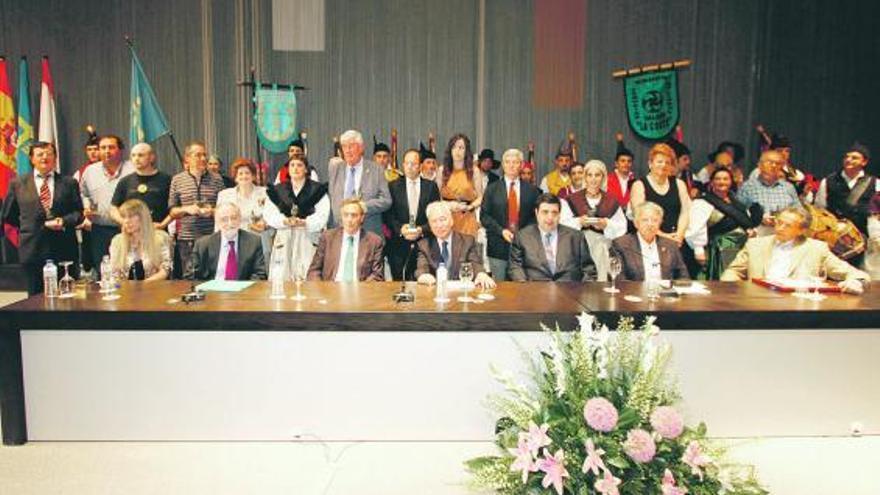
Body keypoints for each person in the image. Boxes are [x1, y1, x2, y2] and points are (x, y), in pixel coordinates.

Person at [721, 206, 869, 293]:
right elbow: (733, 271)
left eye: (787, 225)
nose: (779, 228)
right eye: (779, 222)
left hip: (798, 307)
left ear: (801, 230)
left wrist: (855, 282)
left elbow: (858, 275)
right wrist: (730, 289)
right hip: (757, 302)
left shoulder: (816, 249)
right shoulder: (755, 245)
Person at [1, 142, 83, 294]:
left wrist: (63, 221)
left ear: (55, 158)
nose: (45, 157)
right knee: (35, 298)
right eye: (40, 154)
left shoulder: (69, 183)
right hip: (33, 249)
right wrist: (30, 226)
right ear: (32, 159)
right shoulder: (17, 184)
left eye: (49, 154)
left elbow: (79, 213)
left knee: (67, 296)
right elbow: (8, 215)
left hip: (64, 249)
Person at [685, 168, 762, 279]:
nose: (722, 182)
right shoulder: (702, 202)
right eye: (718, 179)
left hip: (740, 250)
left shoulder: (736, 201)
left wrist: (749, 230)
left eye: (725, 179)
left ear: (731, 182)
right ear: (711, 182)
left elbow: (745, 221)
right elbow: (696, 227)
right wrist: (698, 249)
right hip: (718, 250)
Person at [560, 159, 627, 281]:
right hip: (577, 247)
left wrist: (606, 224)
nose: (593, 179)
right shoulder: (571, 199)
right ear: (585, 177)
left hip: (602, 247)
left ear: (603, 177)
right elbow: (562, 223)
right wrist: (579, 222)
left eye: (597, 175)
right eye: (590, 175)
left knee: (600, 281)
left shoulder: (611, 200)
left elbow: (622, 226)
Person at [168, 141, 226, 279]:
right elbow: (172, 211)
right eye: (198, 155)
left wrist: (212, 211)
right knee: (190, 277)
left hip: (212, 236)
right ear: (187, 158)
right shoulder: (177, 180)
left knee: (214, 276)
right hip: (187, 239)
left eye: (204, 155)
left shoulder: (217, 179)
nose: (203, 159)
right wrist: (188, 209)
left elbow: (224, 208)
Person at [481, 148, 540, 280]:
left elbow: (535, 217)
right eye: (508, 162)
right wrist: (501, 231)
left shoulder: (532, 191)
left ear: (521, 165)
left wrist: (523, 233)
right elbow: (484, 216)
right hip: (497, 246)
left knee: (521, 290)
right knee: (499, 290)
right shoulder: (492, 189)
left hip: (524, 247)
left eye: (515, 162)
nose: (511, 165)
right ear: (503, 165)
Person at [267, 156, 330, 280]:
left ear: (306, 169)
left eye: (299, 165)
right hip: (284, 236)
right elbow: (269, 213)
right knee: (281, 276)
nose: (295, 168)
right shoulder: (278, 189)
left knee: (307, 273)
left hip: (307, 236)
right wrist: (284, 221)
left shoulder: (317, 189)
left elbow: (323, 214)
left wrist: (305, 222)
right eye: (292, 165)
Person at [508, 193, 596, 282]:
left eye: (554, 213)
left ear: (559, 215)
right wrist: (525, 288)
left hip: (569, 292)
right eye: (545, 212)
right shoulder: (522, 237)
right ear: (536, 212)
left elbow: (589, 271)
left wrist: (583, 292)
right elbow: (515, 267)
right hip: (535, 292)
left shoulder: (576, 237)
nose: (550, 217)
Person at [385, 148, 442, 280]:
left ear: (420, 166)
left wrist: (422, 229)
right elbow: (388, 215)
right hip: (398, 245)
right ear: (403, 165)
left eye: (414, 164)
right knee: (400, 284)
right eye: (407, 163)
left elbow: (435, 215)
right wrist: (400, 229)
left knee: (422, 283)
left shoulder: (431, 187)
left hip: (424, 245)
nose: (410, 167)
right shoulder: (393, 186)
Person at [79, 135, 135, 265]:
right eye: (103, 148)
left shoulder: (133, 170)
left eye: (111, 147)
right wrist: (87, 207)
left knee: (129, 268)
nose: (106, 151)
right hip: (100, 230)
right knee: (103, 270)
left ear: (121, 150)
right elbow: (83, 194)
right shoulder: (90, 171)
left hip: (128, 229)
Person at [415, 201, 495, 288]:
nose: (439, 225)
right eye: (434, 221)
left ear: (451, 221)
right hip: (436, 294)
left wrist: (480, 274)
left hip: (461, 294)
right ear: (430, 226)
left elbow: (474, 263)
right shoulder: (424, 245)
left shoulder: (467, 241)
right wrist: (423, 276)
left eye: (442, 219)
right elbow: (421, 268)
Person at [327, 129, 392, 236]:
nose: (347, 150)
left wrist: (364, 207)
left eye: (351, 146)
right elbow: (331, 202)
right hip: (339, 233)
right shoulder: (335, 169)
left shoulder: (376, 169)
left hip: (368, 233)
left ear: (361, 148)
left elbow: (386, 200)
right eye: (344, 146)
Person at [217, 158, 285, 258]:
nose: (244, 176)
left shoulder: (265, 193)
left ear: (253, 176)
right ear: (235, 177)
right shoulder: (224, 195)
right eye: (240, 173)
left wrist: (265, 224)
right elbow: (218, 222)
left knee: (261, 273)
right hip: (234, 243)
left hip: (260, 243)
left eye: (247, 173)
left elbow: (275, 216)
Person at [307, 198, 384, 281]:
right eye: (346, 215)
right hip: (331, 289)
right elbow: (314, 270)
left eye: (354, 215)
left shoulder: (374, 241)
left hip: (361, 289)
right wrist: (322, 288)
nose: (349, 220)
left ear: (362, 218)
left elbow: (377, 275)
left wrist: (362, 290)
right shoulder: (327, 237)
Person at [629, 143, 691, 246]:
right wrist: (663, 236)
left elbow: (685, 212)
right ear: (650, 164)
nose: (663, 165)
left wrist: (679, 235)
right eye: (659, 161)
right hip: (649, 241)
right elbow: (639, 217)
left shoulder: (680, 184)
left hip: (677, 241)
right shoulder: (639, 185)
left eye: (667, 162)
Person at [611, 202, 690, 282]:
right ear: (636, 223)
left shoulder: (670, 245)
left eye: (655, 220)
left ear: (660, 223)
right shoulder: (621, 244)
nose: (650, 224)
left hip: (665, 293)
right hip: (635, 293)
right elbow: (619, 279)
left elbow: (683, 276)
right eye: (645, 220)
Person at [813, 142, 877, 240]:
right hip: (834, 238)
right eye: (846, 157)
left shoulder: (875, 183)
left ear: (864, 162)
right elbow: (819, 209)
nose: (848, 160)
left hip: (863, 238)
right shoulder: (828, 181)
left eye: (854, 158)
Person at [191, 202, 266, 281]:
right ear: (217, 221)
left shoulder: (254, 241)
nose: (230, 223)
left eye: (233, 218)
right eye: (224, 219)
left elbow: (260, 274)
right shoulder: (203, 244)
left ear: (240, 219)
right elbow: (192, 275)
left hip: (242, 290)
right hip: (211, 290)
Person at [737, 150, 801, 236]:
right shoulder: (747, 187)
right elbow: (738, 213)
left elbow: (799, 212)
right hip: (757, 236)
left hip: (784, 235)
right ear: (759, 165)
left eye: (778, 163)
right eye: (770, 162)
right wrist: (759, 218)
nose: (774, 166)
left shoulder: (789, 187)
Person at [110, 143, 172, 231]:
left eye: (141, 155)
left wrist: (163, 224)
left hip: (157, 232)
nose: (136, 159)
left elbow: (175, 208)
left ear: (151, 157)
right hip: (132, 233)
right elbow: (113, 208)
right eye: (133, 155)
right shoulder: (125, 181)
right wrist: (124, 222)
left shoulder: (167, 180)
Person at [108, 199, 171, 281]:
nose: (126, 221)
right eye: (124, 217)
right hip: (126, 290)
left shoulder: (159, 239)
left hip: (154, 288)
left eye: (130, 216)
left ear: (143, 218)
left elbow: (165, 270)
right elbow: (114, 274)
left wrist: (143, 285)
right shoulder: (117, 241)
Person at [440, 133, 482, 236]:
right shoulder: (442, 170)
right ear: (450, 150)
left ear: (466, 151)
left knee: (467, 249)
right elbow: (436, 196)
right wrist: (448, 205)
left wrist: (470, 207)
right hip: (447, 217)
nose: (457, 151)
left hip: (467, 217)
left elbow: (481, 197)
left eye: (461, 148)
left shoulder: (474, 171)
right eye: (454, 147)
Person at [606, 134, 636, 208]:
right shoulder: (607, 179)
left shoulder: (636, 182)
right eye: (623, 161)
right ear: (616, 163)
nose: (626, 163)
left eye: (629, 161)